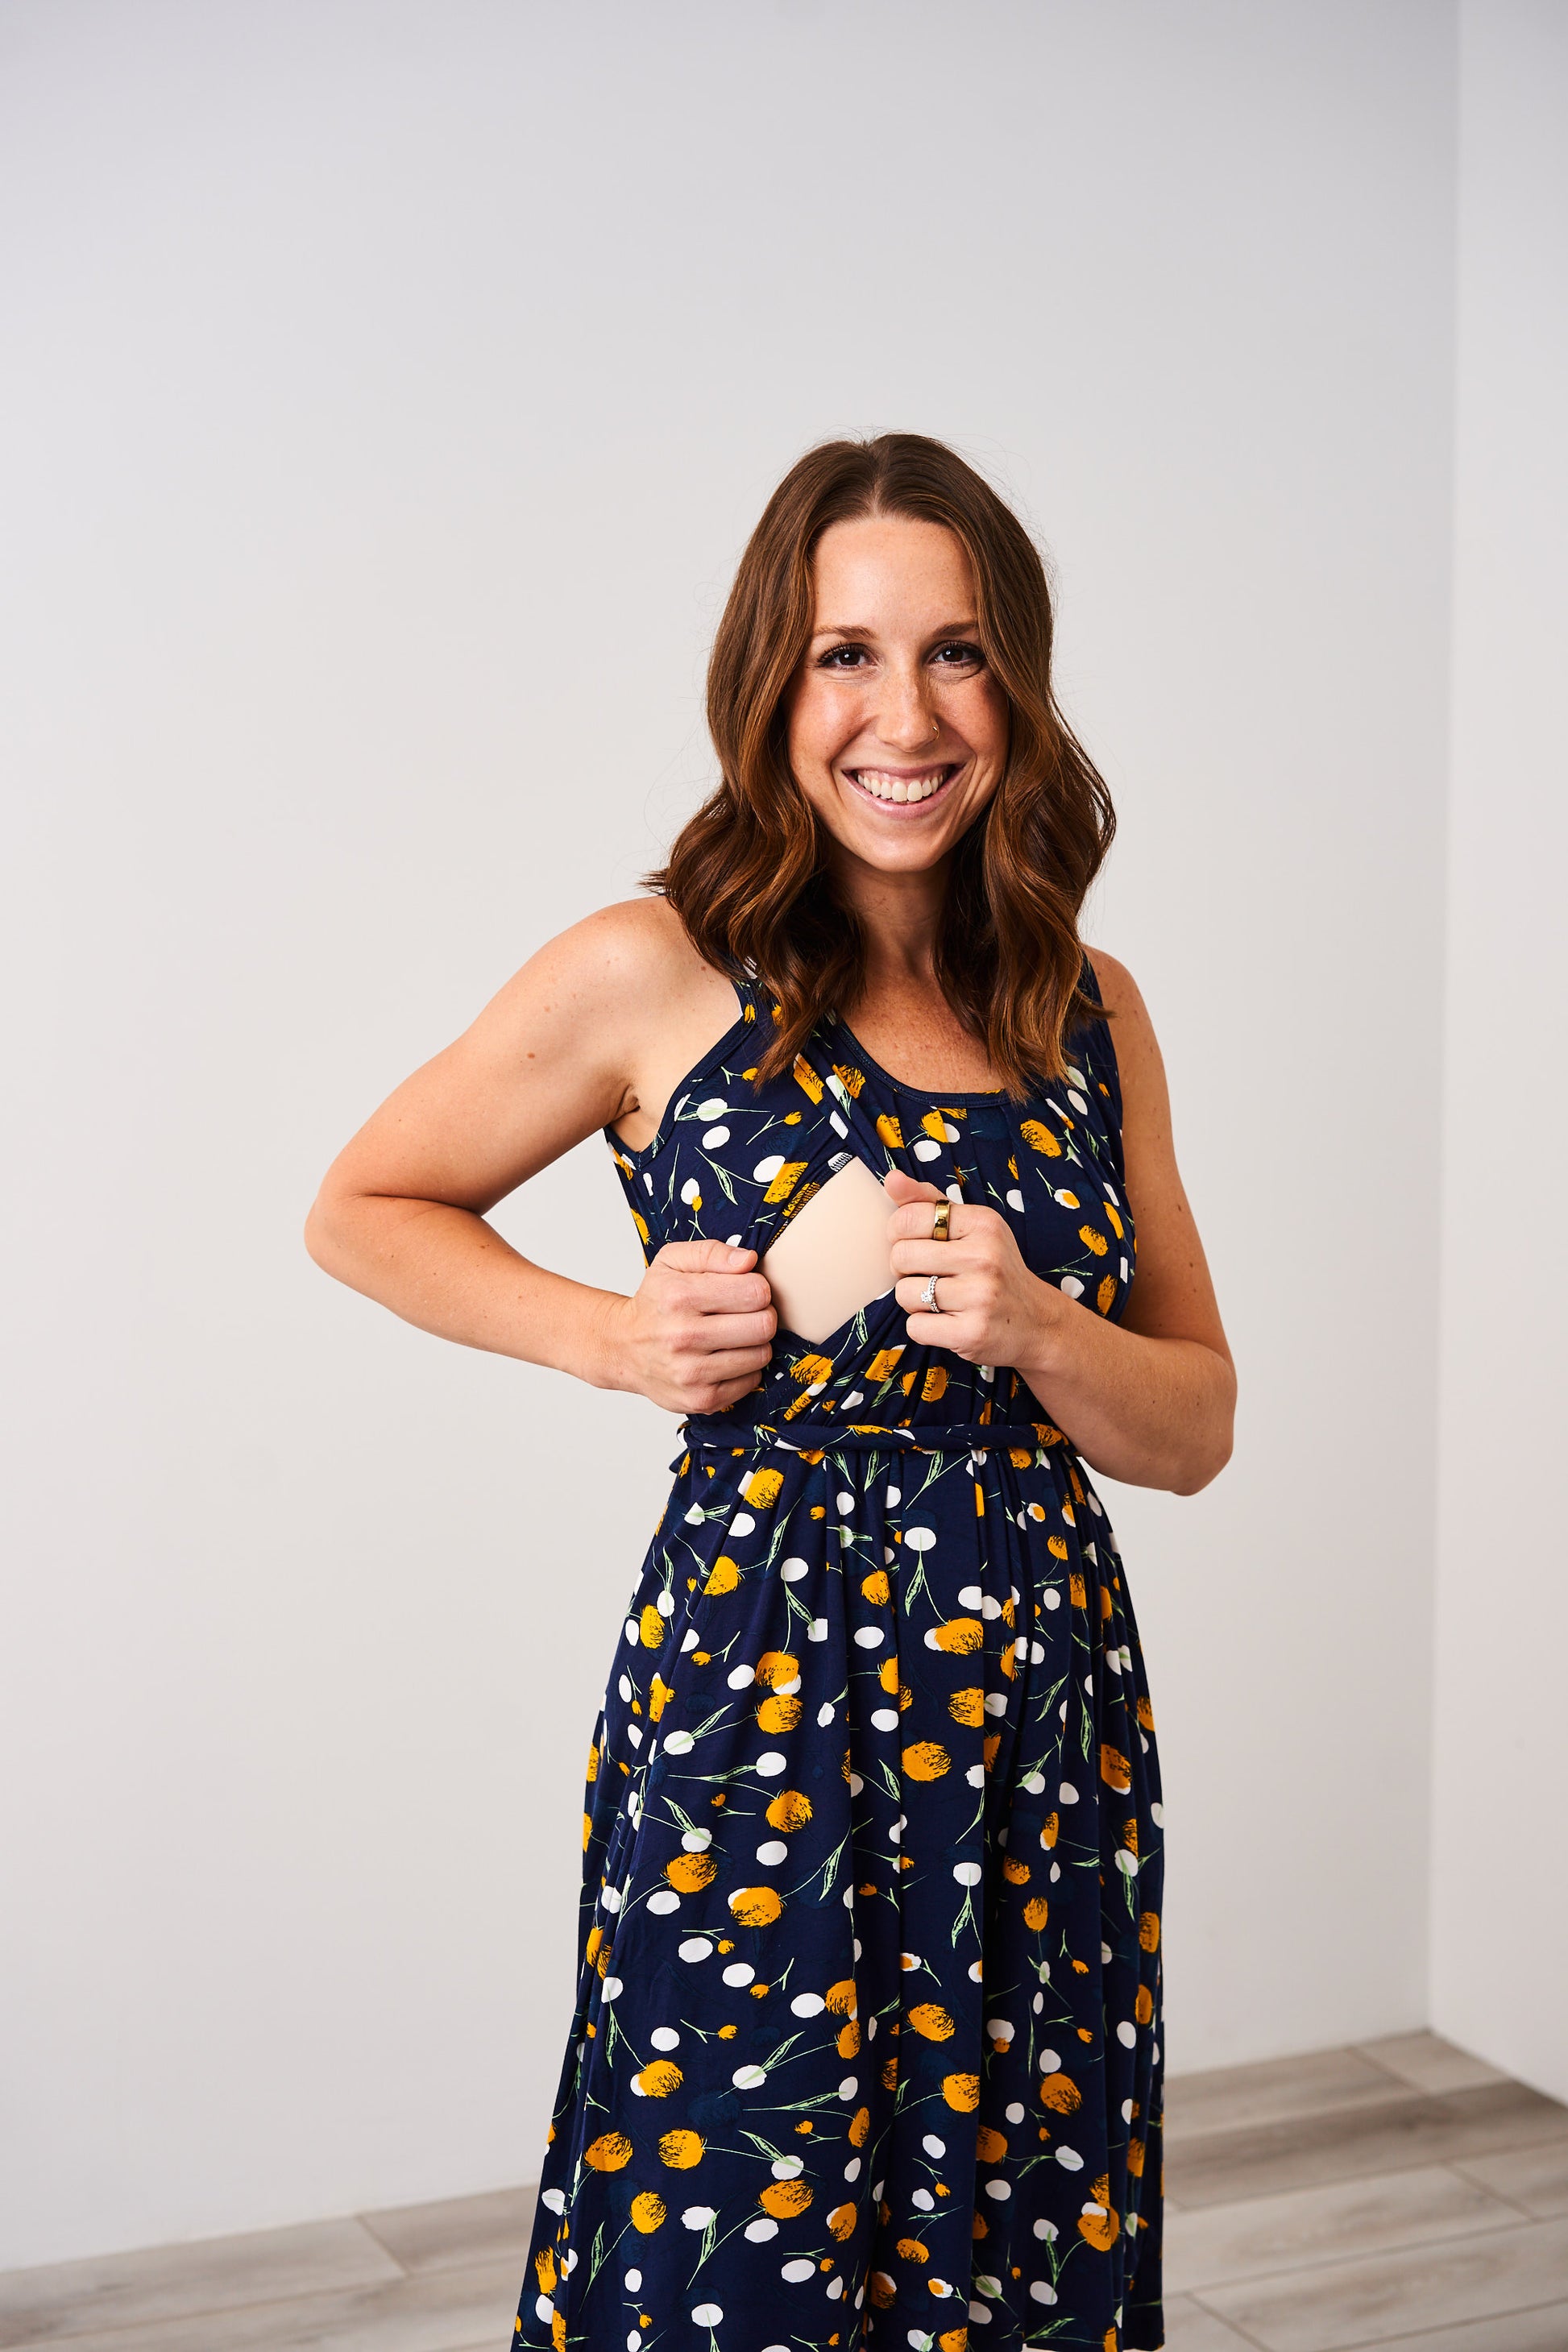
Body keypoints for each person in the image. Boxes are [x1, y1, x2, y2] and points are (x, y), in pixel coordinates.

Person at [305, 433, 1234, 2352]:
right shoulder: (655, 967)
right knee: (731, 2231)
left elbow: (1198, 1424)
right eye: (845, 655)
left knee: (1013, 2224)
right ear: (769, 680)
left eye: (958, 653)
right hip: (760, 1696)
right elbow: (362, 1205)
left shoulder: (1090, 1005)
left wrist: (1047, 1327)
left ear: (1020, 686)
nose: (903, 714)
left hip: (1029, 1728)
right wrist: (611, 1333)